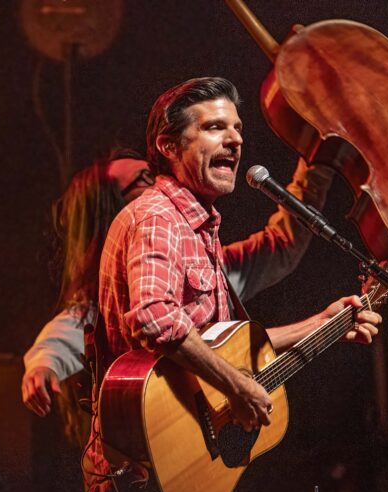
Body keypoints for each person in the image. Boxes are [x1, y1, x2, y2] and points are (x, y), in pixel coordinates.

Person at [93, 77, 381, 492]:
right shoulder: (159, 219)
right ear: (168, 146)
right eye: (214, 127)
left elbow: (219, 346)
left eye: (238, 128)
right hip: (148, 472)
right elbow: (154, 320)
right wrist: (238, 387)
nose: (235, 139)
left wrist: (323, 323)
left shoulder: (195, 229)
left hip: (180, 472)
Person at [21, 150, 335, 450]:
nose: (161, 181)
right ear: (116, 214)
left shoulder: (209, 267)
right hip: (146, 458)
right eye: (145, 179)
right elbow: (63, 335)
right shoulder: (104, 297)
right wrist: (42, 366)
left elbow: (281, 244)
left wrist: (316, 163)